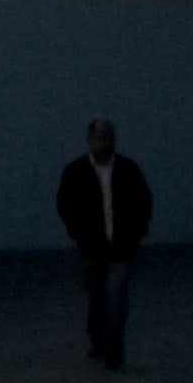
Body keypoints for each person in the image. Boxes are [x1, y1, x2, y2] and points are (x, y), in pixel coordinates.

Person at [55, 118, 153, 370]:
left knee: (117, 295)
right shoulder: (75, 172)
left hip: (122, 245)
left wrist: (138, 231)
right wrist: (78, 233)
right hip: (93, 246)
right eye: (100, 138)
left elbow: (144, 200)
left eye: (108, 138)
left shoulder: (128, 170)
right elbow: (65, 205)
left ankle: (114, 349)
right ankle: (99, 340)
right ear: (90, 141)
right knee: (98, 295)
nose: (105, 143)